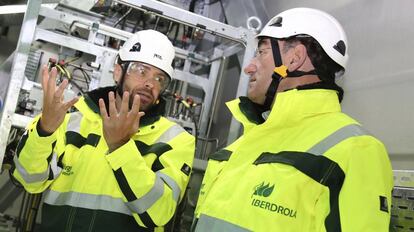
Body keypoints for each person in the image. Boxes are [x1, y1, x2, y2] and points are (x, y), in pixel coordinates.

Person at [193, 8, 393, 231]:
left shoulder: (357, 149)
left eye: (262, 53)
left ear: (294, 58)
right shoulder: (248, 140)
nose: (249, 67)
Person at [13, 29, 195, 231]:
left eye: (160, 79)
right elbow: (29, 180)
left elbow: (159, 212)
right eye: (141, 71)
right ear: (118, 71)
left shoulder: (175, 140)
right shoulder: (72, 117)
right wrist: (44, 131)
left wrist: (121, 147)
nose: (150, 84)